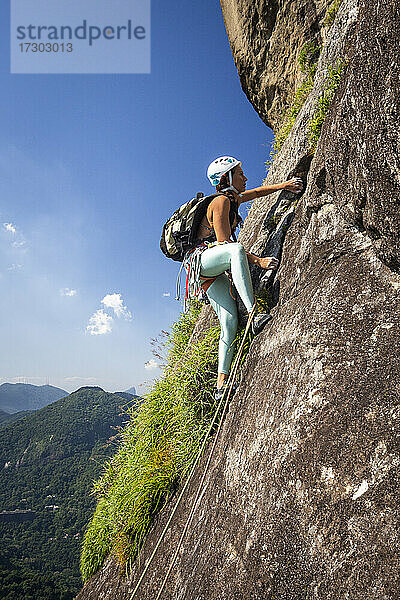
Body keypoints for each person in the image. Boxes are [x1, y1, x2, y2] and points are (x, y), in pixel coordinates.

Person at [183, 156, 303, 400]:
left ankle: (221, 385)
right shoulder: (220, 202)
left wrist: (283, 186)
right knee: (235, 249)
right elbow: (225, 243)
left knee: (228, 322)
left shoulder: (232, 199)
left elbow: (257, 193)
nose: (245, 177)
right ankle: (254, 314)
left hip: (205, 272)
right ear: (227, 178)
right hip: (202, 263)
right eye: (240, 173)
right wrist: (258, 261)